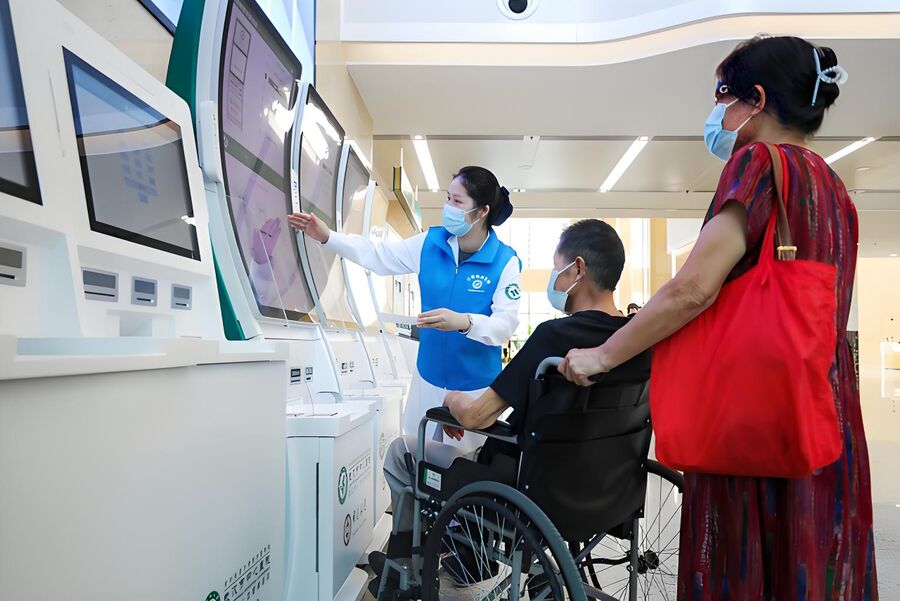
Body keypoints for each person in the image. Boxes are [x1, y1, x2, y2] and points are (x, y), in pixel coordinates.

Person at [559, 36, 878, 600]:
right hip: (823, 413)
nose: (716, 112)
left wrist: (602, 356)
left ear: (757, 99)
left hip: (754, 417)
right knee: (815, 562)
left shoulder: (758, 164)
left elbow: (693, 290)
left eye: (723, 96)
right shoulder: (835, 189)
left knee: (742, 564)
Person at [369, 219, 651, 598]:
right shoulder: (638, 340)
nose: (554, 278)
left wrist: (452, 399)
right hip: (612, 490)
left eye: (557, 268)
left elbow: (476, 417)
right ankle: (468, 558)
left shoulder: (554, 337)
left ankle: (407, 568)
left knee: (402, 452)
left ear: (578, 269)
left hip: (528, 491)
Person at [288, 166, 521, 454]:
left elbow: (505, 325)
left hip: (475, 389)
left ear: (482, 211)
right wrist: (329, 237)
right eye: (448, 198)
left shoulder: (504, 261)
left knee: (468, 467)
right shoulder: (430, 243)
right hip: (427, 379)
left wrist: (465, 322)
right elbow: (378, 255)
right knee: (415, 459)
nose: (448, 207)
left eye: (457, 201)